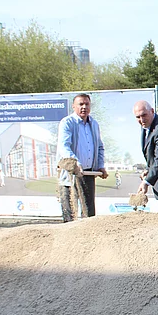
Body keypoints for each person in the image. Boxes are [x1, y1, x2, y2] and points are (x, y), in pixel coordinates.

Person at [56, 93, 108, 222]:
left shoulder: (94, 124)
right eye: (81, 104)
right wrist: (75, 163)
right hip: (70, 174)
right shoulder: (67, 123)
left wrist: (100, 165)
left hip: (88, 173)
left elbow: (99, 147)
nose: (84, 107)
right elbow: (64, 146)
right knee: (70, 213)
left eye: (87, 104)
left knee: (89, 214)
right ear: (74, 106)